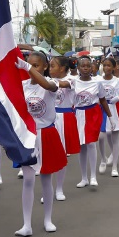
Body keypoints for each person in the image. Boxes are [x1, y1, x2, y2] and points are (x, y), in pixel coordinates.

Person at [14, 52, 67, 236]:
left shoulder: (52, 84)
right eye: (29, 65)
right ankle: (26, 225)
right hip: (28, 137)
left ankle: (47, 219)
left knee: (46, 179)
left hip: (46, 134)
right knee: (28, 180)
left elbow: (46, 84)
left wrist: (26, 67)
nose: (31, 68)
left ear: (45, 66)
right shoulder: (21, 86)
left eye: (36, 65)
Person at [68, 56, 113, 187]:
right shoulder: (74, 82)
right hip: (78, 114)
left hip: (93, 114)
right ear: (78, 68)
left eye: (88, 66)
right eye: (83, 66)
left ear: (92, 68)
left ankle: (93, 176)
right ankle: (84, 178)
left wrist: (110, 116)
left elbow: (103, 100)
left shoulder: (97, 83)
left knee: (91, 144)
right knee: (81, 146)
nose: (86, 68)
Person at [50, 56, 80, 200]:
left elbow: (61, 85)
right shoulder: (47, 80)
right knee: (48, 155)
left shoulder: (71, 79)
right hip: (49, 118)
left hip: (64, 117)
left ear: (62, 68)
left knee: (62, 154)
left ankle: (59, 189)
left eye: (52, 66)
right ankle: (47, 189)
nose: (50, 69)